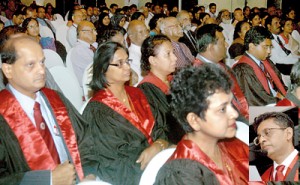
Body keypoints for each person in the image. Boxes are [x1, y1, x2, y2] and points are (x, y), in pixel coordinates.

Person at [0, 36, 93, 184]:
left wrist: (90, 172)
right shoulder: (2, 113)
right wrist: (47, 180)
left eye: (42, 62)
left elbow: (85, 139)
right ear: (8, 70)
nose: (41, 70)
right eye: (31, 64)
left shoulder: (56, 99)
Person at [81, 41, 168, 185]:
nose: (127, 67)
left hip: (161, 159)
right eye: (119, 63)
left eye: (127, 61)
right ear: (103, 69)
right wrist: (151, 160)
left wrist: (159, 145)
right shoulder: (97, 110)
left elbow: (162, 127)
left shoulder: (139, 94)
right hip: (135, 173)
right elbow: (112, 160)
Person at [154, 64, 249, 184]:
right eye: (222, 109)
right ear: (194, 120)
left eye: (231, 105)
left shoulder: (233, 144)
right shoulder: (179, 174)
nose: (234, 114)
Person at [193, 24, 249, 120]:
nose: (226, 45)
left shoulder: (221, 66)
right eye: (223, 42)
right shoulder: (200, 74)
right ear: (211, 47)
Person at [138, 35, 185, 144]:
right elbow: (163, 126)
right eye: (168, 54)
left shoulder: (175, 79)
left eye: (173, 52)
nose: (175, 58)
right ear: (153, 60)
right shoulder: (147, 88)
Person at [233, 26, 286, 106]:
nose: (269, 51)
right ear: (251, 47)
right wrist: (280, 99)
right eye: (265, 47)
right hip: (262, 111)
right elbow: (257, 100)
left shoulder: (266, 61)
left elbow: (280, 85)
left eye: (270, 47)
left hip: (275, 101)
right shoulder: (242, 69)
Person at [252, 112, 298, 181]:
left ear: (288, 133)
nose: (261, 140)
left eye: (267, 132)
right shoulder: (263, 178)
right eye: (259, 137)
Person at [71, 21, 98, 86]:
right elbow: (97, 69)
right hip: (89, 86)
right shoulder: (79, 50)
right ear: (82, 33)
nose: (96, 33)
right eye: (92, 30)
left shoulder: (92, 45)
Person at [127, 20, 149, 85]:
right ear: (131, 37)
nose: (146, 34)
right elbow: (138, 82)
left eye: (146, 31)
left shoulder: (147, 50)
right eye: (140, 32)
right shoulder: (130, 56)